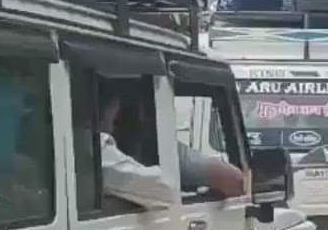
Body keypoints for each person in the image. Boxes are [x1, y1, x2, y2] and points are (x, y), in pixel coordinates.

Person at [98, 83, 243, 208]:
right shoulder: (97, 151)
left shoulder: (154, 145)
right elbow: (164, 192)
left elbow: (233, 179)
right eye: (116, 119)